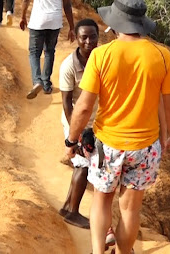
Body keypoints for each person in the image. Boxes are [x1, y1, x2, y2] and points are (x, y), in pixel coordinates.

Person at [65, 0, 170, 254]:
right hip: (145, 146)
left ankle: (98, 251)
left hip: (109, 145)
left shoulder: (101, 55)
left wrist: (71, 141)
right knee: (130, 209)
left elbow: (84, 107)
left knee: (102, 200)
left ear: (114, 22)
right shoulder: (161, 56)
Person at [58, 18, 100, 229]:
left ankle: (67, 206)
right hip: (76, 120)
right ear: (76, 37)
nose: (89, 41)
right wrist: (77, 133)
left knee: (80, 165)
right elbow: (66, 102)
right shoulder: (69, 66)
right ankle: (73, 213)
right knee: (83, 165)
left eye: (93, 36)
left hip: (97, 122)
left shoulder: (100, 59)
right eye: (84, 37)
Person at [19, 0, 75, 98]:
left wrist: (23, 16)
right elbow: (67, 5)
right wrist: (72, 27)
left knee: (34, 53)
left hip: (38, 20)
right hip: (54, 21)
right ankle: (46, 85)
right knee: (49, 52)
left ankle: (37, 80)